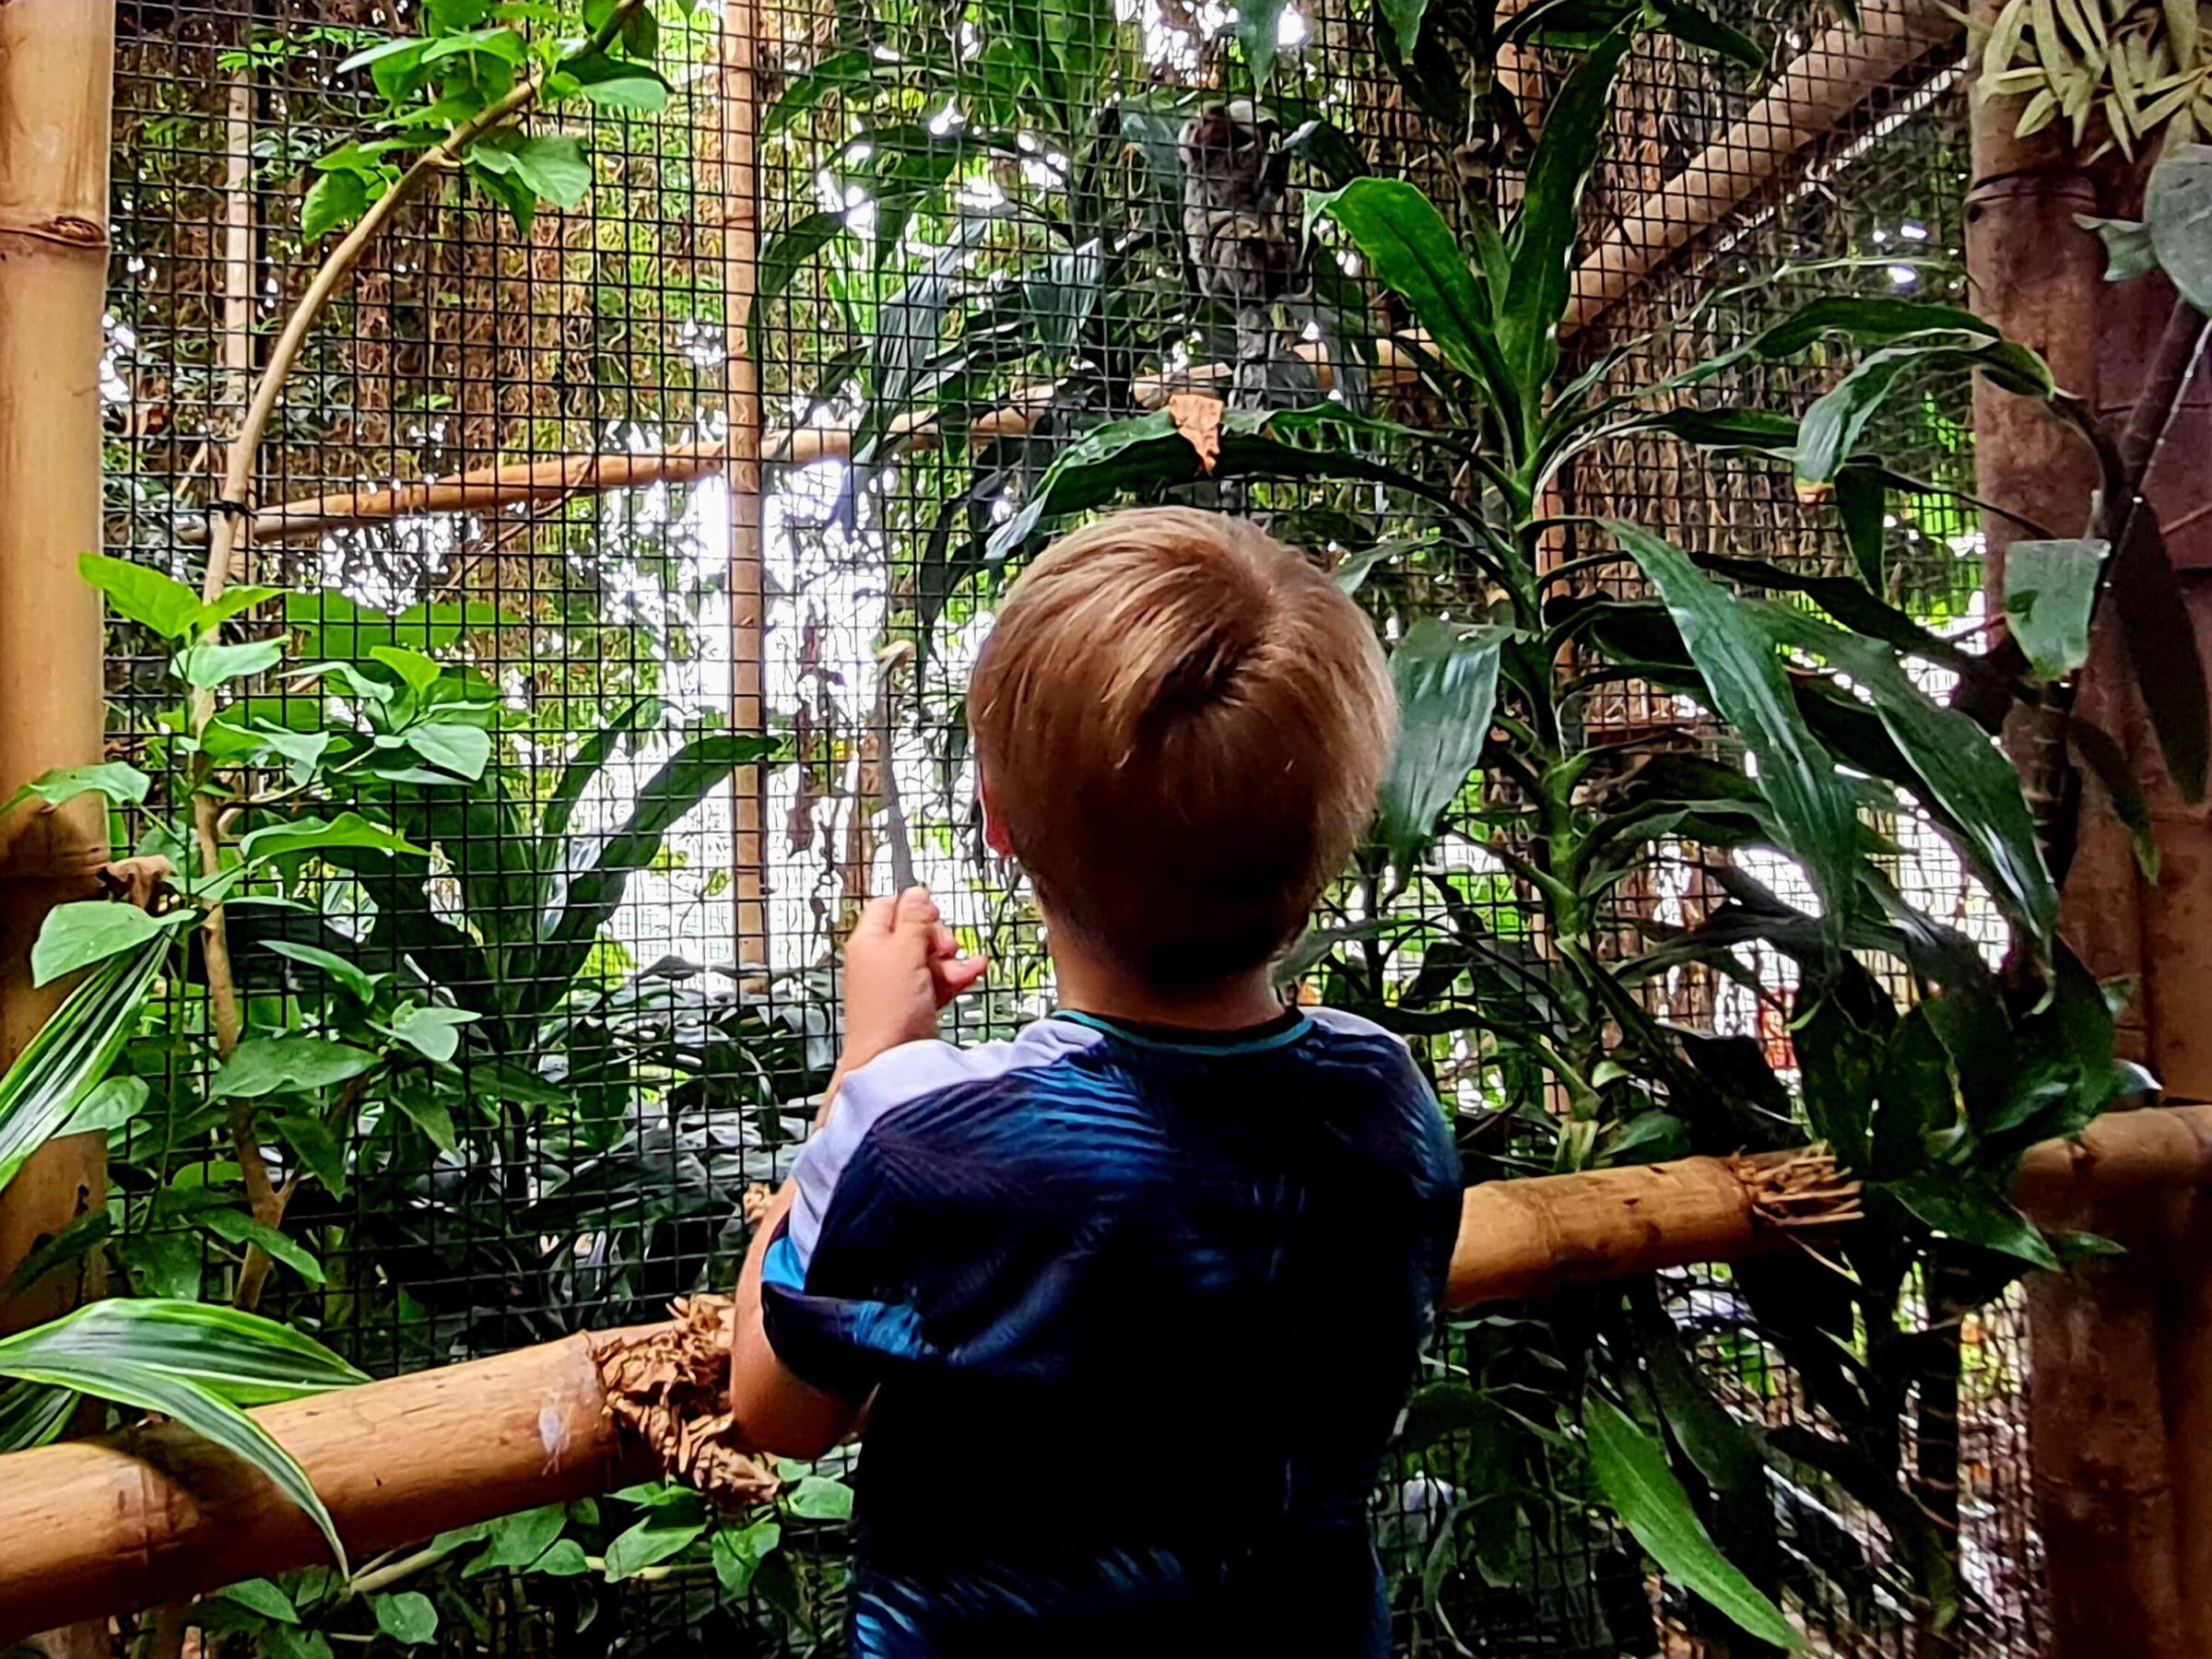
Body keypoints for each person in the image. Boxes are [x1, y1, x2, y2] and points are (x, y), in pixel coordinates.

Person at [727, 507, 1464, 1656]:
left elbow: (777, 1410)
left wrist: (868, 1059)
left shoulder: (923, 1130)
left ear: (997, 823)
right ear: (1336, 837)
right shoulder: (1385, 1103)